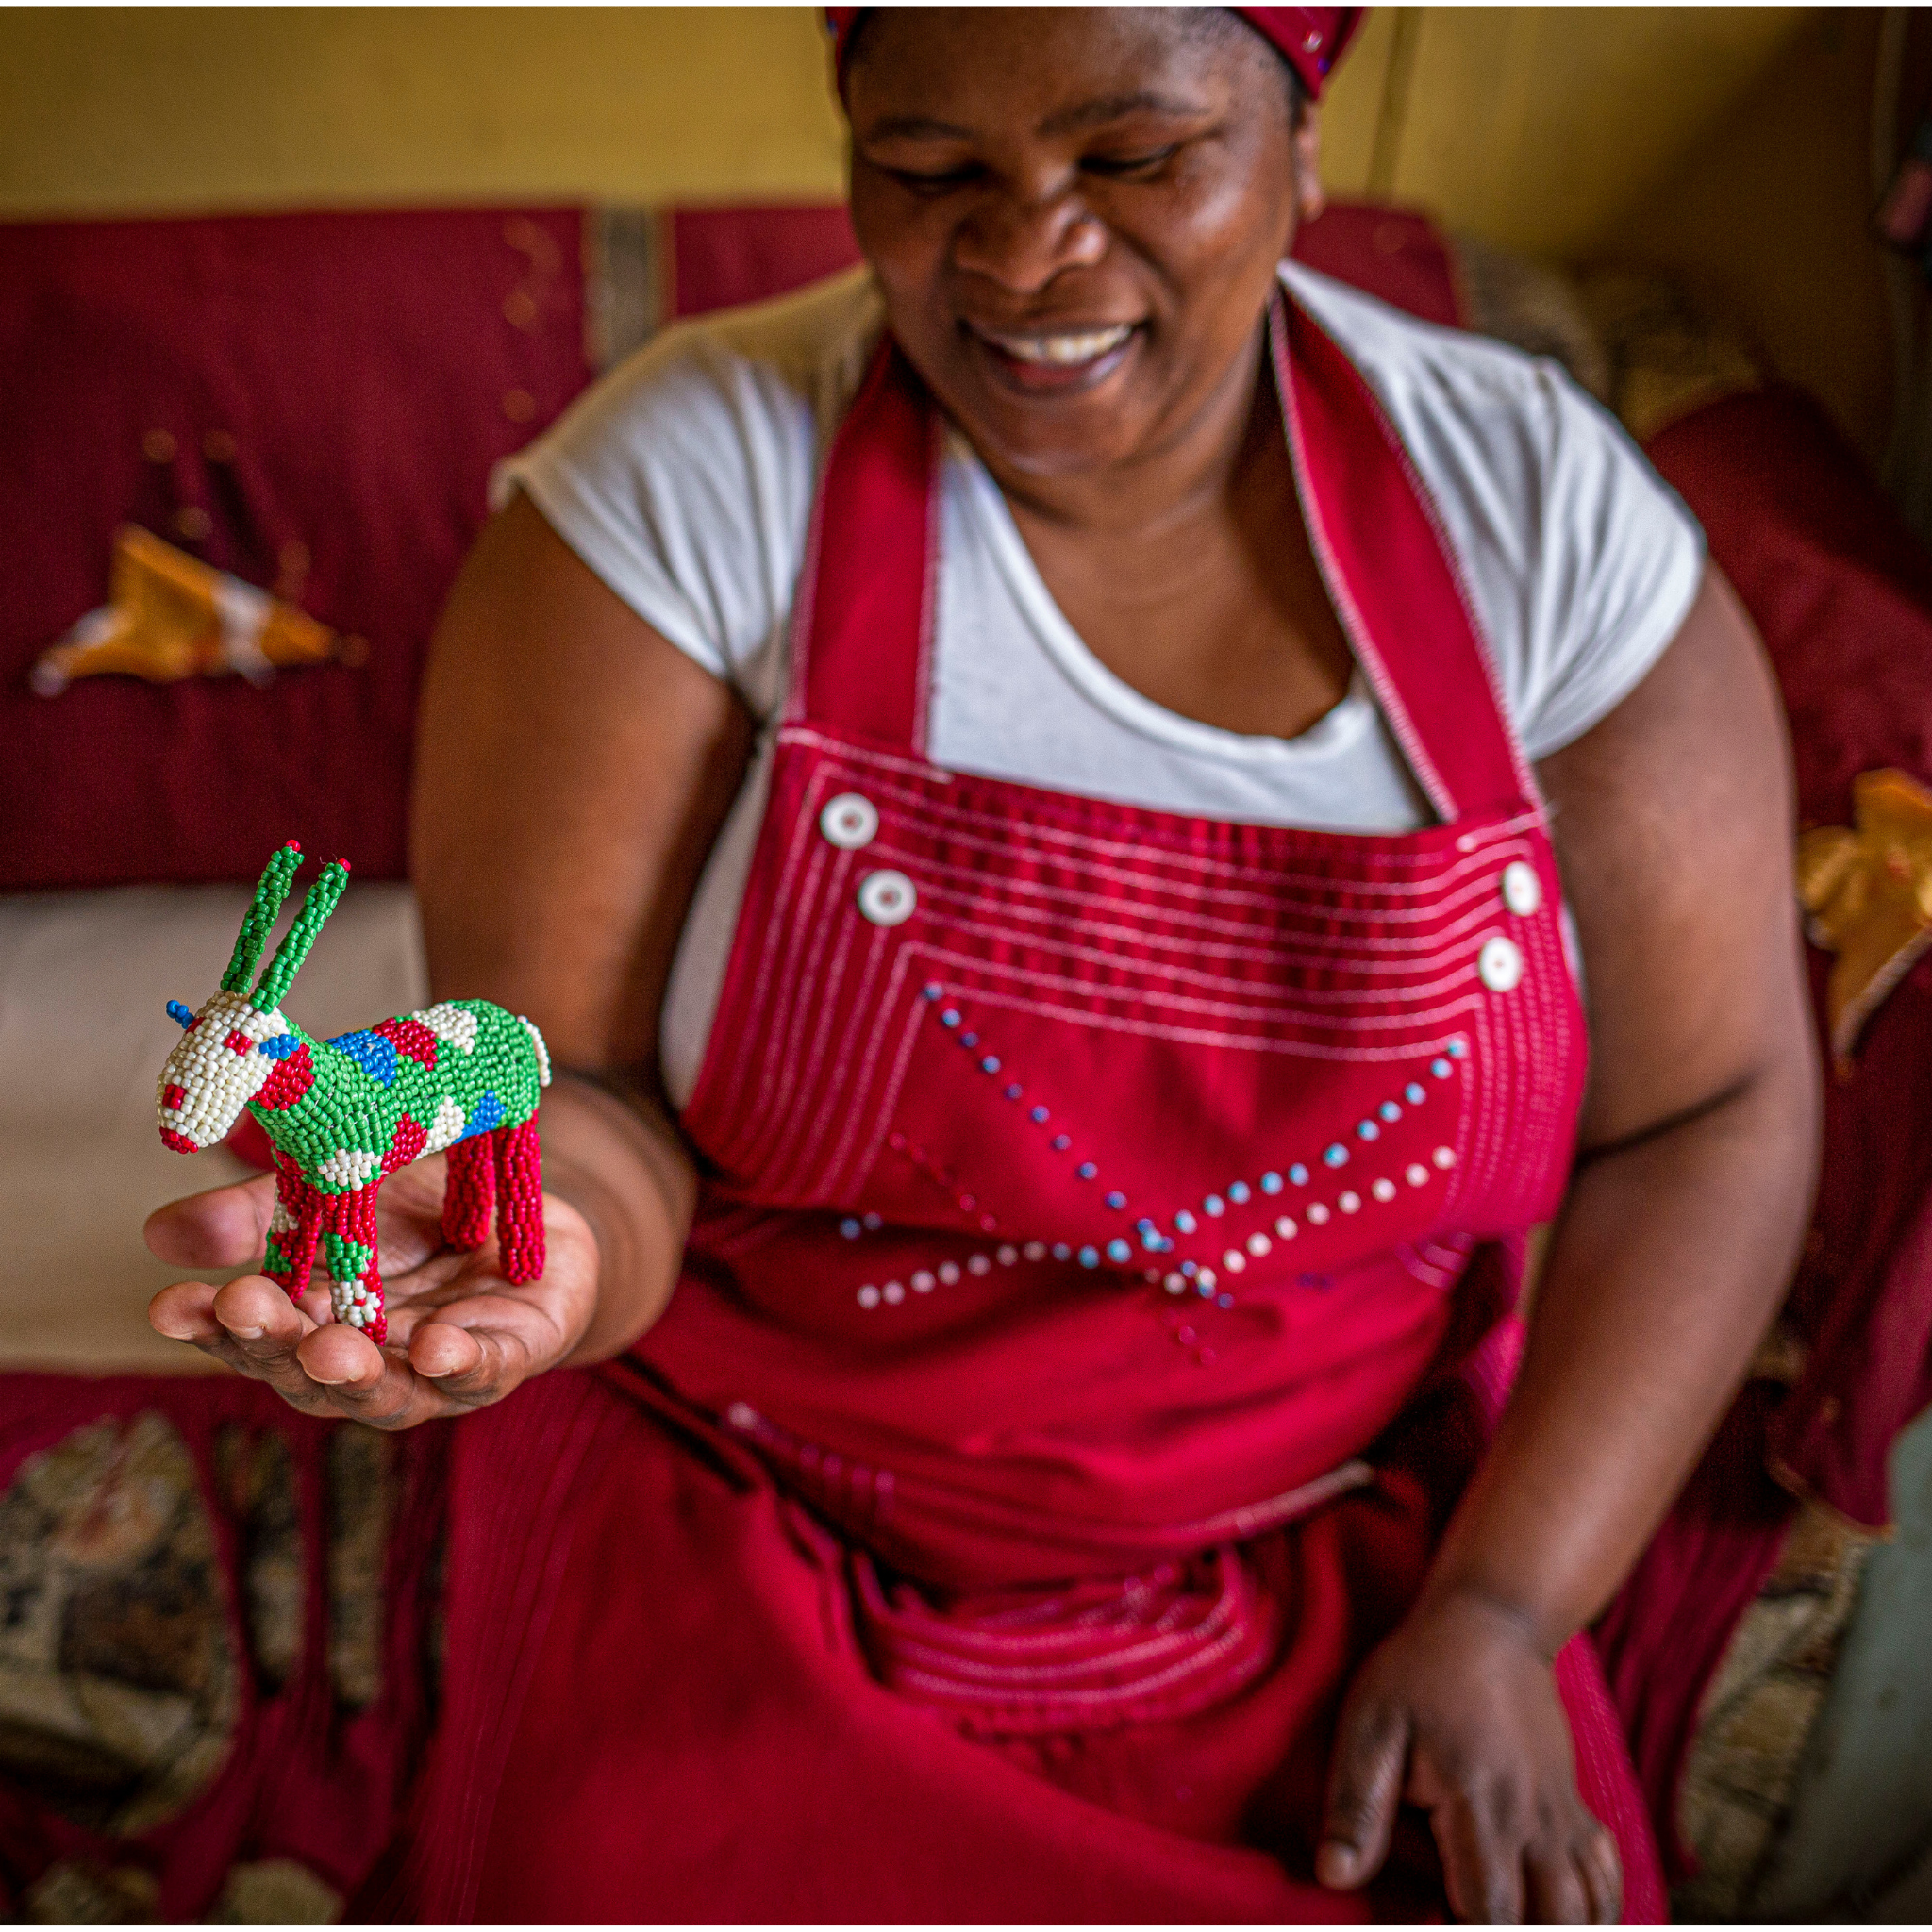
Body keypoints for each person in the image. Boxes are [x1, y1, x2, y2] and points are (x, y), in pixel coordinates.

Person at [145, 8, 1819, 1921]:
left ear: (1302, 145)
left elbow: (1713, 1109)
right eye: (930, 171)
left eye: (1133, 161)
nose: (1024, 256)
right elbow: (575, 1097)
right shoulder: (680, 498)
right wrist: (544, 1253)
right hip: (751, 1509)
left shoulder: (1542, 527)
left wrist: (1510, 1605)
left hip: (1362, 1538)